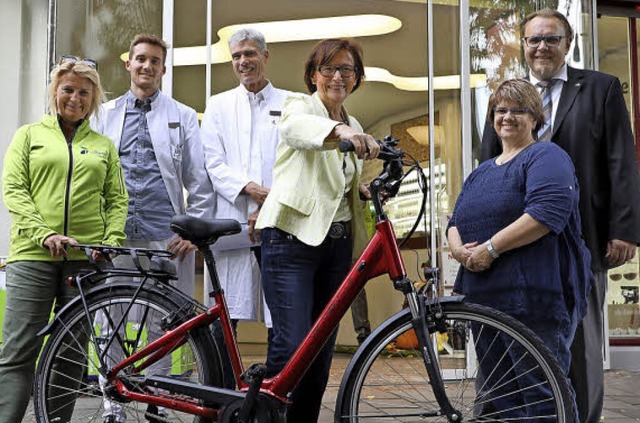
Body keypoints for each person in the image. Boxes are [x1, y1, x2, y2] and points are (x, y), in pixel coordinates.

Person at [480, 9, 640, 423]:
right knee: (513, 334)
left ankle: (581, 417)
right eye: (533, 40)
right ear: (524, 46)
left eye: (551, 39)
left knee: (582, 340)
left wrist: (625, 229)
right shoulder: (505, 96)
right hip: (515, 240)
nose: (541, 47)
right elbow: (488, 164)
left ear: (568, 44)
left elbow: (621, 161)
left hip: (582, 238)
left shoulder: (600, 89)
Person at [449, 78, 593, 419]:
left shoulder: (545, 155)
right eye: (501, 110)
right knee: (503, 397)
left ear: (535, 118)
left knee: (542, 393)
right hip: (485, 301)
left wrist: (490, 250)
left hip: (533, 298)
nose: (508, 117)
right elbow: (455, 219)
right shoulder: (481, 171)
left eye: (519, 110)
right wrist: (458, 251)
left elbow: (547, 212)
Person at [255, 37, 380, 422]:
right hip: (290, 240)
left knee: (321, 351)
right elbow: (297, 130)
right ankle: (258, 414)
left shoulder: (355, 123)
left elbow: (340, 183)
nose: (338, 77)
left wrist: (363, 186)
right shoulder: (299, 105)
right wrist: (340, 134)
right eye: (329, 68)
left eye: (348, 70)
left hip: (336, 246)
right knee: (292, 346)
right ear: (313, 75)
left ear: (357, 79)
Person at [92, 34, 214, 422]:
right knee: (109, 316)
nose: (147, 66)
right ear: (128, 64)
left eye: (155, 61)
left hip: (166, 236)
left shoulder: (183, 115)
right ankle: (113, 401)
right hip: (115, 234)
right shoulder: (104, 114)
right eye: (140, 59)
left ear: (164, 68)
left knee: (165, 322)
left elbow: (200, 181)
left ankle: (158, 400)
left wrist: (190, 233)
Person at [0, 57, 128, 422]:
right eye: (68, 89)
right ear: (55, 92)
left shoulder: (103, 145)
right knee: (19, 350)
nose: (75, 97)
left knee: (71, 352)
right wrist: (44, 234)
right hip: (32, 256)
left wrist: (111, 240)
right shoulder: (28, 136)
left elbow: (117, 199)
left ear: (94, 98)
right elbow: (14, 189)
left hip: (86, 258)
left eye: (84, 92)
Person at [200, 28, 288, 388]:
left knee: (279, 313)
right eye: (236, 56)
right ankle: (220, 394)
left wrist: (271, 201)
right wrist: (251, 191)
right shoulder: (218, 105)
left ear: (265, 57)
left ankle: (275, 390)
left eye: (250, 54)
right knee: (225, 313)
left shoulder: (291, 101)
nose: (243, 62)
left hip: (277, 220)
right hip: (232, 222)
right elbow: (213, 162)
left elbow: (295, 161)